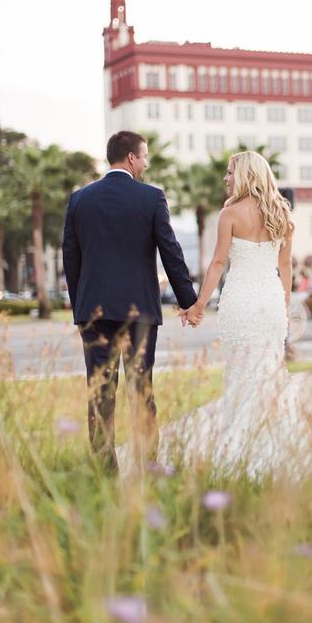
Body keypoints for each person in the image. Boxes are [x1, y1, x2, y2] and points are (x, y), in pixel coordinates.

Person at [152, 150, 312, 482]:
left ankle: (242, 454)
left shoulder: (230, 214)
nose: (226, 178)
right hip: (270, 302)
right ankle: (285, 450)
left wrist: (198, 306)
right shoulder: (282, 214)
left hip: (240, 302)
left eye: (230, 172)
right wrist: (283, 306)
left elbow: (218, 264)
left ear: (245, 175)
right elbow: (286, 266)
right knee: (270, 374)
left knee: (242, 374)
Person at [62, 130, 201, 474]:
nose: (146, 163)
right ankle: (148, 463)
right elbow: (171, 251)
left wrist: (81, 305)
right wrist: (190, 301)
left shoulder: (80, 200)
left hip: (92, 311)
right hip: (139, 312)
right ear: (131, 159)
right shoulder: (151, 198)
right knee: (141, 389)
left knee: (100, 392)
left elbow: (71, 257)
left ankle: (104, 471)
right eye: (144, 156)